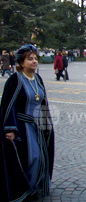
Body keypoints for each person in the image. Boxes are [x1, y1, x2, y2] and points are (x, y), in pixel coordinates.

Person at [0, 44, 54, 201]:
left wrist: (46, 123)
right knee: (30, 157)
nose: (34, 61)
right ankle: (25, 189)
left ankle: (34, 187)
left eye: (36, 59)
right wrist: (10, 129)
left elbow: (43, 103)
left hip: (36, 125)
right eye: (30, 59)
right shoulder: (15, 80)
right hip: (22, 126)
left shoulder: (38, 79)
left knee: (40, 157)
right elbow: (9, 105)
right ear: (21, 62)